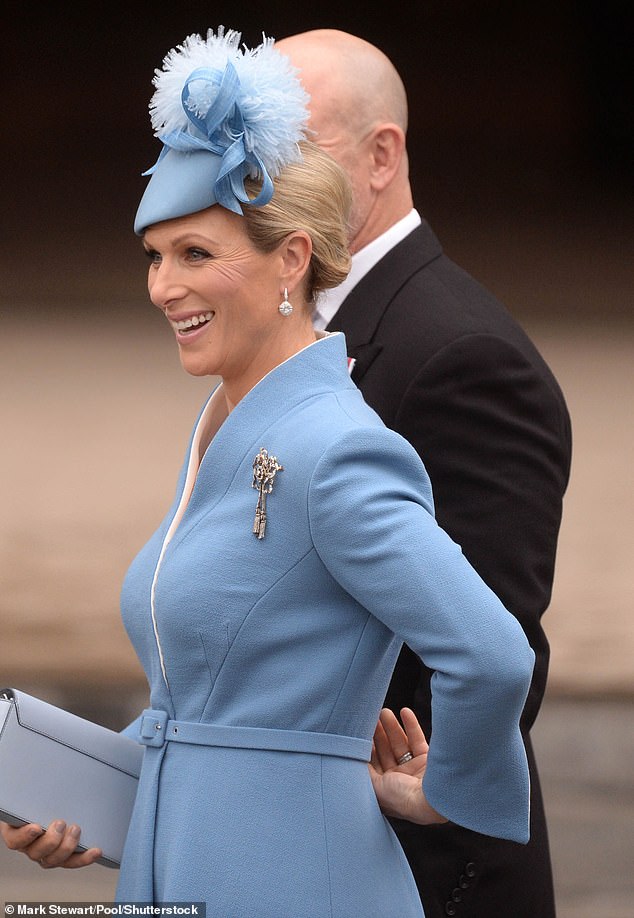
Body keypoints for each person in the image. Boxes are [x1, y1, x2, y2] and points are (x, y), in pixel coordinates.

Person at [0, 28, 535, 913]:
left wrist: (446, 795)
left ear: (292, 259)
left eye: (197, 255)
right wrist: (82, 799)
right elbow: (210, 700)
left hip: (296, 878)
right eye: (155, 256)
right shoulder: (224, 420)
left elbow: (491, 653)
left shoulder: (336, 447)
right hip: (187, 866)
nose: (163, 286)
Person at [275, 28, 573, 918]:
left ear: (381, 155)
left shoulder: (463, 354)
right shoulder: (296, 319)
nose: (265, 176)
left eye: (300, 146)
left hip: (418, 868)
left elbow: (490, 640)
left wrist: (428, 795)